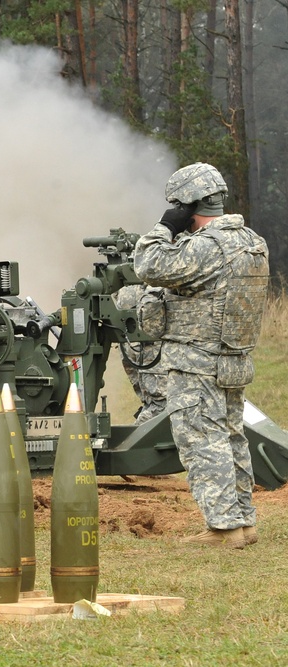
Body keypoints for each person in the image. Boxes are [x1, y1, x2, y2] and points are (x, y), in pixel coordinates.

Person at [133, 162, 269, 549]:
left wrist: (164, 227)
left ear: (187, 204)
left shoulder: (206, 247)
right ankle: (243, 523)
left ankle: (223, 530)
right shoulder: (251, 241)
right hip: (233, 358)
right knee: (231, 437)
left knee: (201, 440)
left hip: (197, 361)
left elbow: (147, 263)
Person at [113, 283, 167, 425]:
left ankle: (146, 426)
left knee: (159, 398)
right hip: (128, 334)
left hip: (150, 335)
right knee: (144, 391)